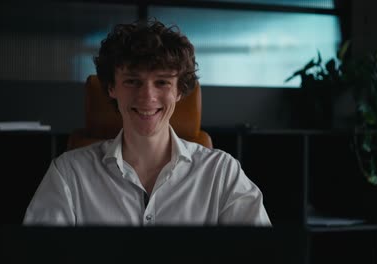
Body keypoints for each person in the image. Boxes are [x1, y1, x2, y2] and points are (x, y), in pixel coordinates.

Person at [23, 19, 271, 226]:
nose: (147, 97)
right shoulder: (69, 174)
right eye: (132, 81)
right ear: (111, 87)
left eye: (162, 82)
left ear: (179, 91)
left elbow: (261, 254)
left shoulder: (221, 173)